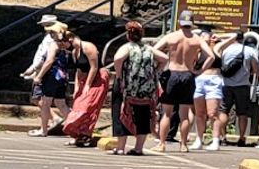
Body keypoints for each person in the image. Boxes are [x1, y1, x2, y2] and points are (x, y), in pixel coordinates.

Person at [153, 11, 210, 153]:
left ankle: (162, 144)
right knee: (184, 114)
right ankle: (183, 144)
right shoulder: (196, 39)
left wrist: (160, 65)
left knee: (167, 113)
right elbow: (211, 55)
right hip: (188, 74)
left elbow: (154, 50)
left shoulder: (171, 37)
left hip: (172, 73)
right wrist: (200, 70)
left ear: (179, 22)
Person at [109, 21, 161, 155]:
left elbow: (117, 59)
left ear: (128, 35)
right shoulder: (148, 49)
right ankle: (138, 148)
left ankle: (120, 147)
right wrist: (155, 72)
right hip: (144, 89)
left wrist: (120, 75)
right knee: (142, 115)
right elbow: (165, 58)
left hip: (127, 86)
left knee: (120, 113)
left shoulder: (127, 47)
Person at [59, 31, 105, 145]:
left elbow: (94, 68)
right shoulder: (75, 52)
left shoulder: (88, 47)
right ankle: (78, 134)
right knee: (78, 104)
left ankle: (86, 134)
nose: (62, 46)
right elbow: (79, 70)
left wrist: (88, 85)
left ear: (70, 39)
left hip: (98, 78)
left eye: (63, 43)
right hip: (84, 78)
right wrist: (77, 87)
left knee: (88, 106)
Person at [26, 19, 70, 136]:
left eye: (52, 32)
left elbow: (49, 61)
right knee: (61, 104)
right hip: (62, 76)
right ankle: (75, 128)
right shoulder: (66, 45)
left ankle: (43, 130)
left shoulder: (53, 44)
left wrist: (39, 76)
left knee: (45, 103)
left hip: (51, 76)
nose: (50, 34)